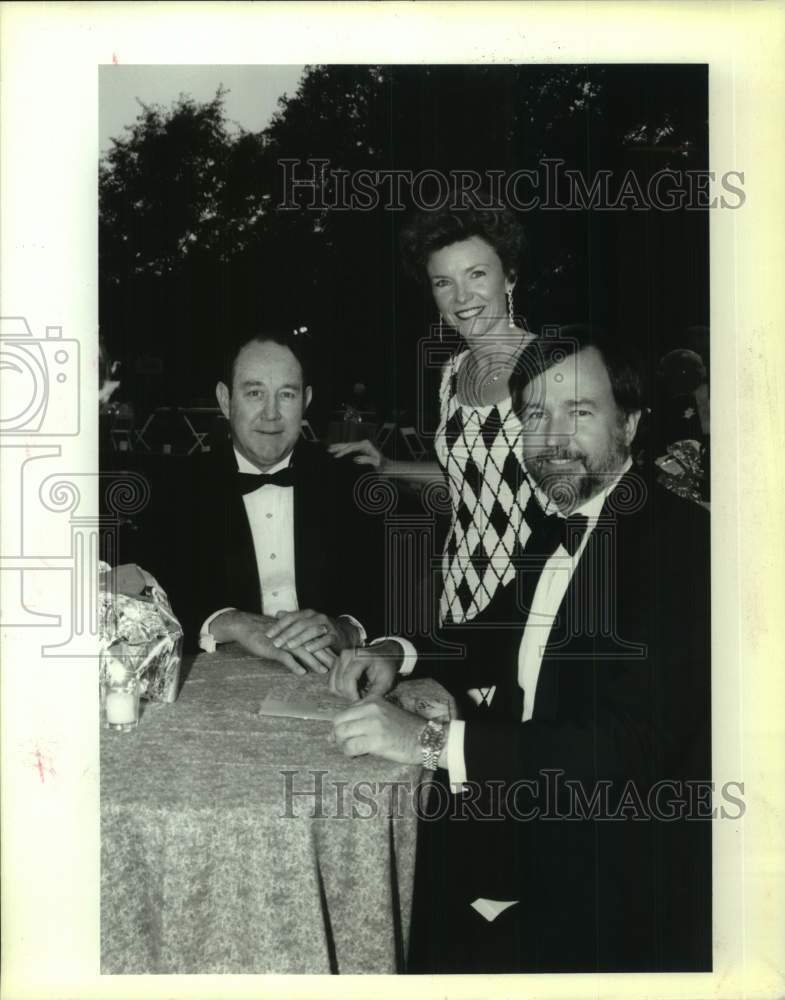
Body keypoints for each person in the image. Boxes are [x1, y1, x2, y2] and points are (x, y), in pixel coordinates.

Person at [329, 326, 711, 972]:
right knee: (368, 892)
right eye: (536, 414)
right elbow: (490, 632)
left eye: (579, 412)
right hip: (529, 831)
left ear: (632, 422)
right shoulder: (559, 518)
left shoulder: (678, 546)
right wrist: (396, 653)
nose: (553, 438)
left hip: (620, 892)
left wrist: (426, 741)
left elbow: (620, 749)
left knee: (411, 949)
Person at [330, 200, 538, 633]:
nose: (462, 297)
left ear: (510, 276)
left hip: (530, 597)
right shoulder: (452, 374)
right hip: (461, 590)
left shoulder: (551, 368)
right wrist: (389, 466)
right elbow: (466, 477)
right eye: (444, 282)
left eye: (477, 274)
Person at [128, 329, 385, 675]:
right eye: (254, 393)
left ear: (306, 401)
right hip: (215, 679)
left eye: (287, 395)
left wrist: (347, 629)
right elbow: (142, 601)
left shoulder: (350, 483)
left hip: (331, 678)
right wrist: (226, 622)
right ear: (225, 399)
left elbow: (388, 592)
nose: (271, 414)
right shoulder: (175, 487)